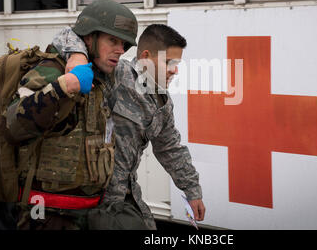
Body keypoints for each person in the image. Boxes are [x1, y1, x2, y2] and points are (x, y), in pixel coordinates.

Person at [52, 23, 206, 230]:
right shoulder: (116, 73)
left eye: (177, 64)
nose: (175, 70)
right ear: (145, 57)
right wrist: (78, 56)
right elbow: (67, 34)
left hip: (124, 196)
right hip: (88, 199)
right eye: (169, 63)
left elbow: (170, 148)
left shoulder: (162, 103)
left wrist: (192, 190)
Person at [4, 0, 138, 229]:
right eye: (112, 40)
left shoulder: (101, 77)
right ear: (89, 38)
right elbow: (13, 125)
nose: (120, 50)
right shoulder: (52, 70)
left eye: (124, 44)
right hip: (47, 215)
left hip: (87, 212)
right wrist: (63, 88)